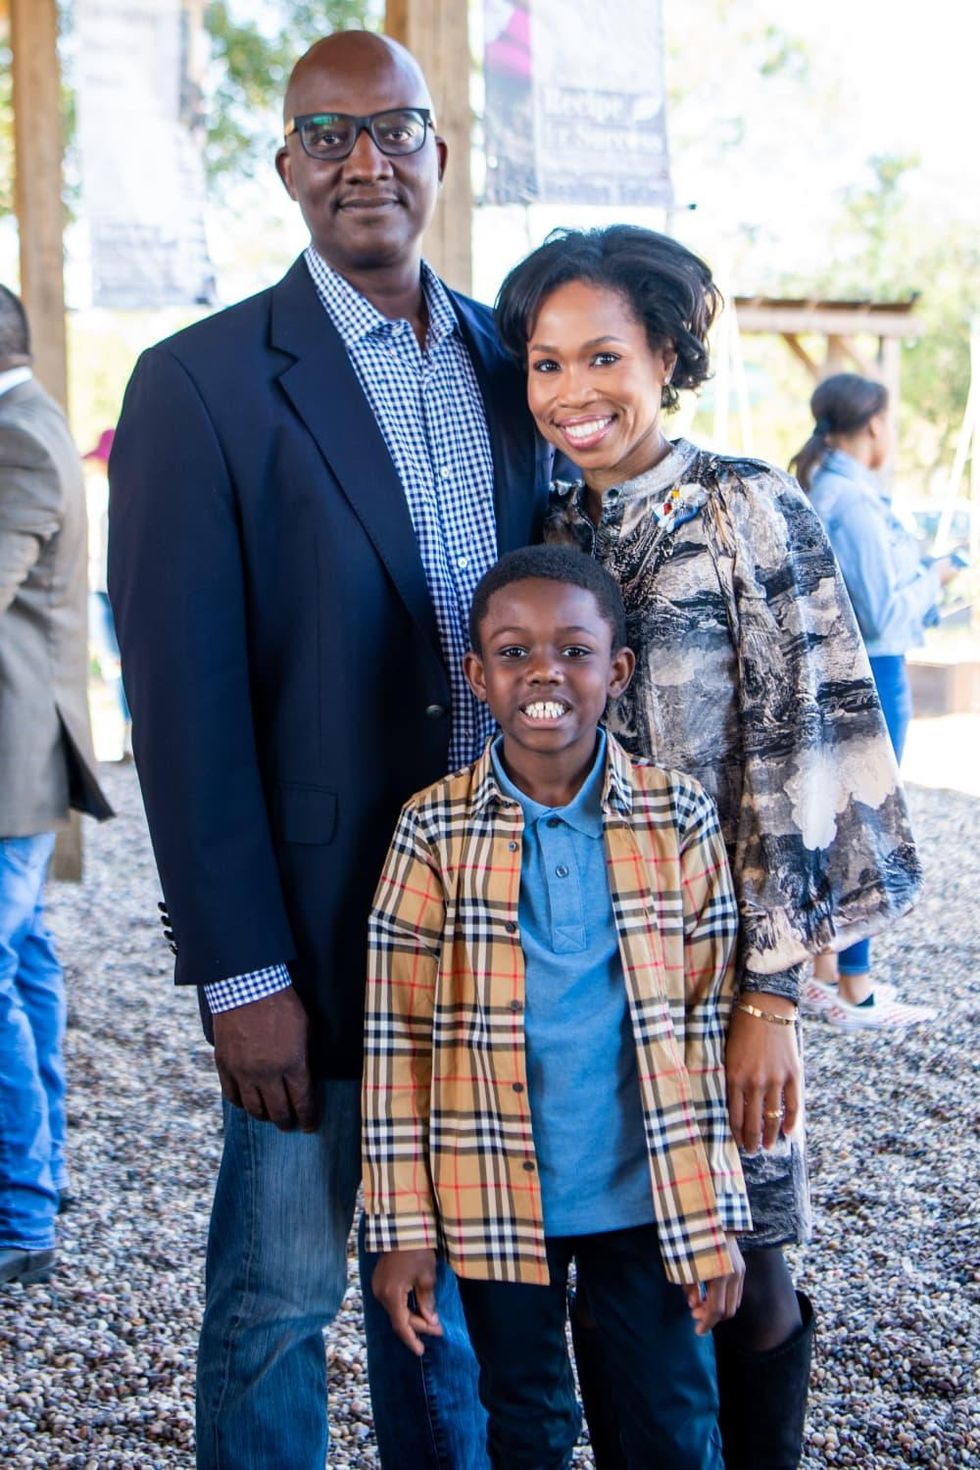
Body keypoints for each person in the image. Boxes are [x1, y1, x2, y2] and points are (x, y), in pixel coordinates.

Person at [108, 29, 552, 1470]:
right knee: (278, 1299)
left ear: (439, 150)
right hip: (315, 936)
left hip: (499, 929)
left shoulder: (516, 366)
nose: (365, 161)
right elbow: (183, 712)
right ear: (285, 166)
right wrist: (241, 974)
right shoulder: (200, 385)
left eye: (394, 129)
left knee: (459, 1298)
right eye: (327, 134)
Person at [494, 226, 923, 1470]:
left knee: (749, 1250)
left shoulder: (744, 507)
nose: (572, 391)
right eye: (545, 363)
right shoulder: (552, 516)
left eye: (604, 357)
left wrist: (771, 999)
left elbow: (800, 753)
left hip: (727, 969)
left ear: (667, 357)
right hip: (587, 969)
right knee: (626, 1261)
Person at [364, 545, 750, 1470]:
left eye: (574, 651)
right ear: (478, 676)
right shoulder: (432, 828)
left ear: (617, 671)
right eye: (514, 652)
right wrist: (402, 1228)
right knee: (529, 1424)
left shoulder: (678, 817)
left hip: (648, 1199)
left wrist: (715, 1214)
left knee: (672, 1424)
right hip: (492, 1198)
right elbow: (396, 1041)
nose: (544, 672)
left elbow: (702, 1032)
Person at [0, 285, 113, 1287]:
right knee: (24, 960)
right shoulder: (33, 424)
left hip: (10, 758)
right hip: (21, 751)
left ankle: (20, 1209)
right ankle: (39, 1181)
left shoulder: (18, 440)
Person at [791, 373, 949, 1029]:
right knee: (870, 825)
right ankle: (856, 985)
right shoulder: (851, 500)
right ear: (876, 425)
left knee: (838, 819)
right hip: (875, 666)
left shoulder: (825, 484)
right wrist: (937, 578)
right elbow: (882, 612)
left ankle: (827, 971)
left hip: (840, 667)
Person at [82, 429, 132, 758]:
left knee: (124, 664)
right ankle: (123, 734)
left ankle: (131, 731)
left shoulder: (129, 497)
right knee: (112, 664)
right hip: (96, 588)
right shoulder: (95, 494)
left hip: (116, 591)